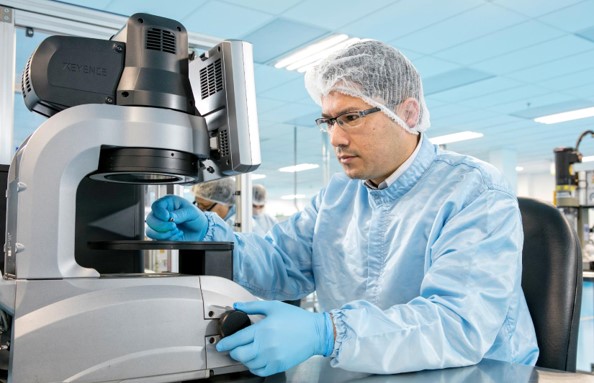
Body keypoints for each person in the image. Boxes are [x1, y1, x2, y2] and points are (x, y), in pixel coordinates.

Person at [146, 40, 539, 377]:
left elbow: (456, 325)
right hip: (364, 370)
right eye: (328, 120)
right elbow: (280, 262)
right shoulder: (338, 196)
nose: (335, 137)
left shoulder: (474, 191)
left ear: (408, 114)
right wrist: (211, 238)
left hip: (478, 374)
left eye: (350, 117)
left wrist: (328, 332)